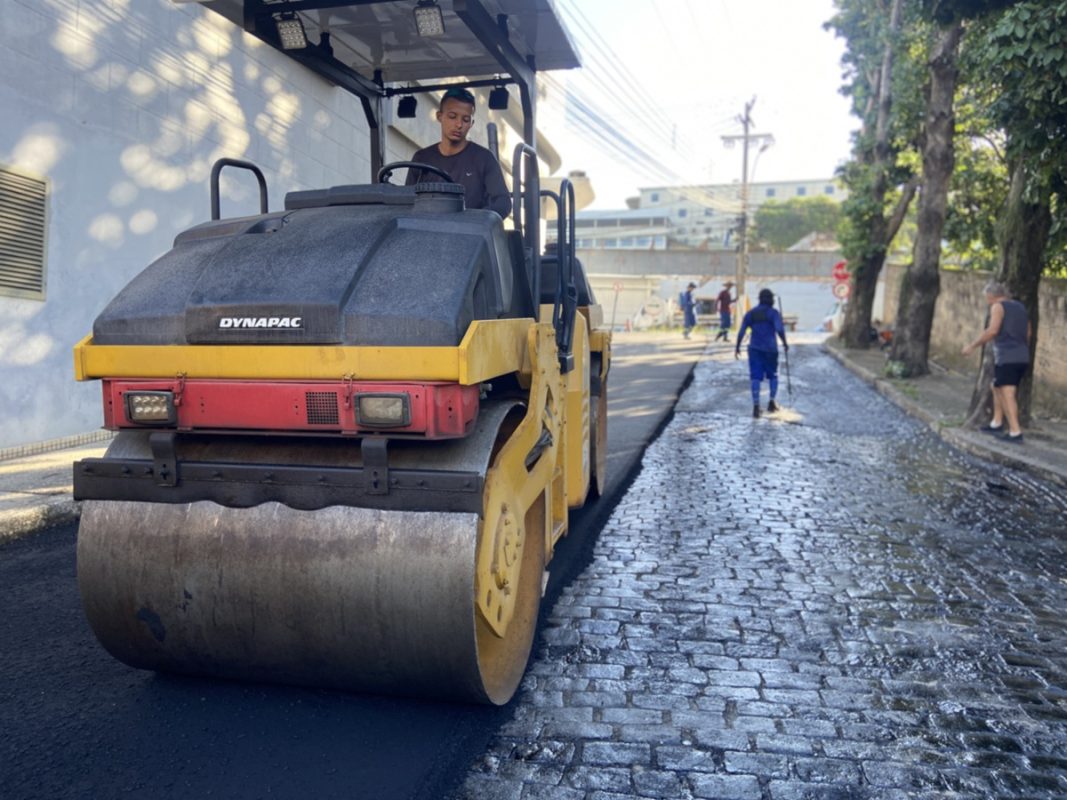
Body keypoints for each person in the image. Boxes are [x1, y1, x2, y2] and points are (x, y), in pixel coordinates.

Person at [405, 87, 512, 219]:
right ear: (440, 116)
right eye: (452, 117)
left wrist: (475, 221)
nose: (459, 124)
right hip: (426, 234)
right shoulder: (421, 158)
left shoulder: (484, 158)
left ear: (471, 123)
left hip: (470, 235)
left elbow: (503, 203)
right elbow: (406, 203)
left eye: (466, 119)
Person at [961, 281, 1031, 443]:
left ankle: (1015, 432)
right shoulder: (1020, 307)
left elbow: (992, 330)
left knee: (1007, 393)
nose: (986, 300)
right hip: (1022, 355)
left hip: (1007, 357)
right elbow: (1028, 332)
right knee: (996, 385)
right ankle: (996, 422)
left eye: (986, 297)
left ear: (991, 296)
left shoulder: (997, 307)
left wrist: (972, 346)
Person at [736, 288, 789, 418]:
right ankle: (771, 402)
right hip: (770, 349)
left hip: (754, 349)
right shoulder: (773, 313)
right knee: (773, 376)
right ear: (771, 300)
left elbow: (742, 331)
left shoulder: (751, 314)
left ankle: (756, 406)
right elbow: (779, 329)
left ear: (759, 299)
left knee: (755, 377)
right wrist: (785, 342)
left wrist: (737, 346)